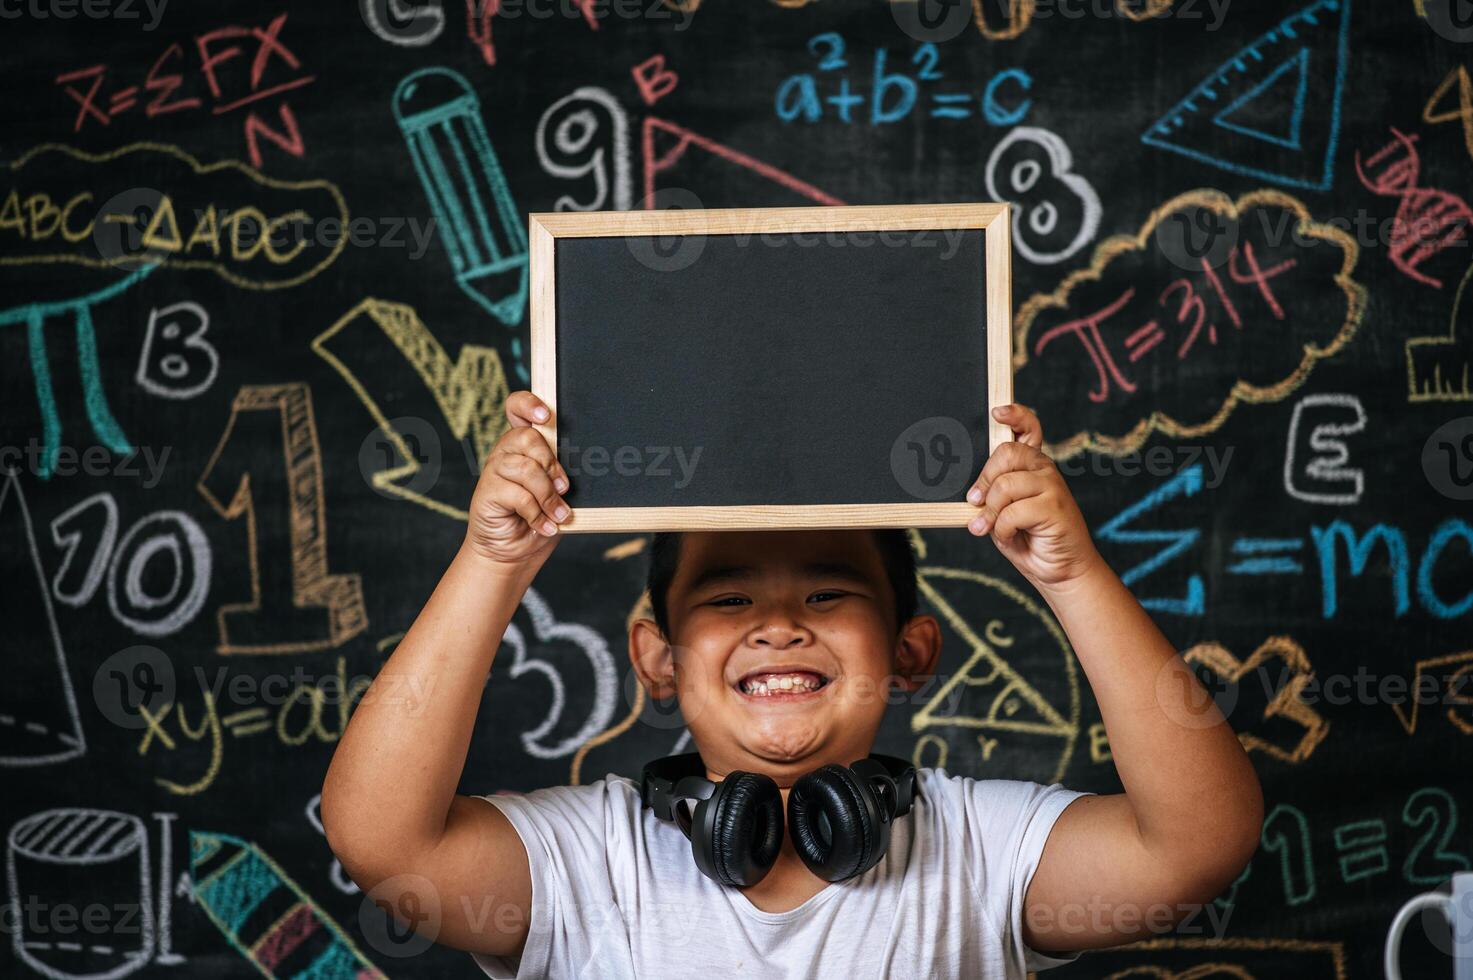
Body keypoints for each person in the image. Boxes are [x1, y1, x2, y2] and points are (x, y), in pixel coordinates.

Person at [321, 391, 1263, 978]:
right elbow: (380, 836)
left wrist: (1070, 575)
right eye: (727, 597)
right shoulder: (585, 863)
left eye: (828, 589)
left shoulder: (980, 848)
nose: (779, 624)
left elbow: (1196, 845)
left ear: (912, 651)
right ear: (657, 657)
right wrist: (496, 563)